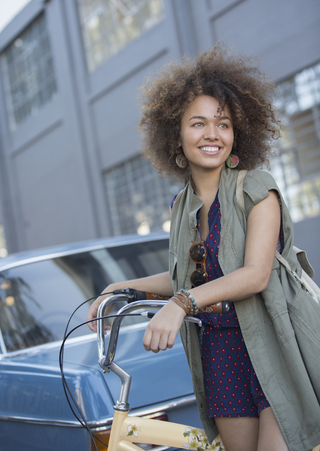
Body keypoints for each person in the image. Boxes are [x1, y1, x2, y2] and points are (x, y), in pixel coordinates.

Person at [87, 44, 320, 451]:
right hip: (220, 351)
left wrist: (180, 304)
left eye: (224, 123)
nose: (213, 134)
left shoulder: (256, 188)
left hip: (275, 342)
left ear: (237, 133)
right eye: (198, 123)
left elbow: (254, 274)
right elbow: (184, 277)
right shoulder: (181, 207)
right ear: (175, 135)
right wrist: (121, 287)